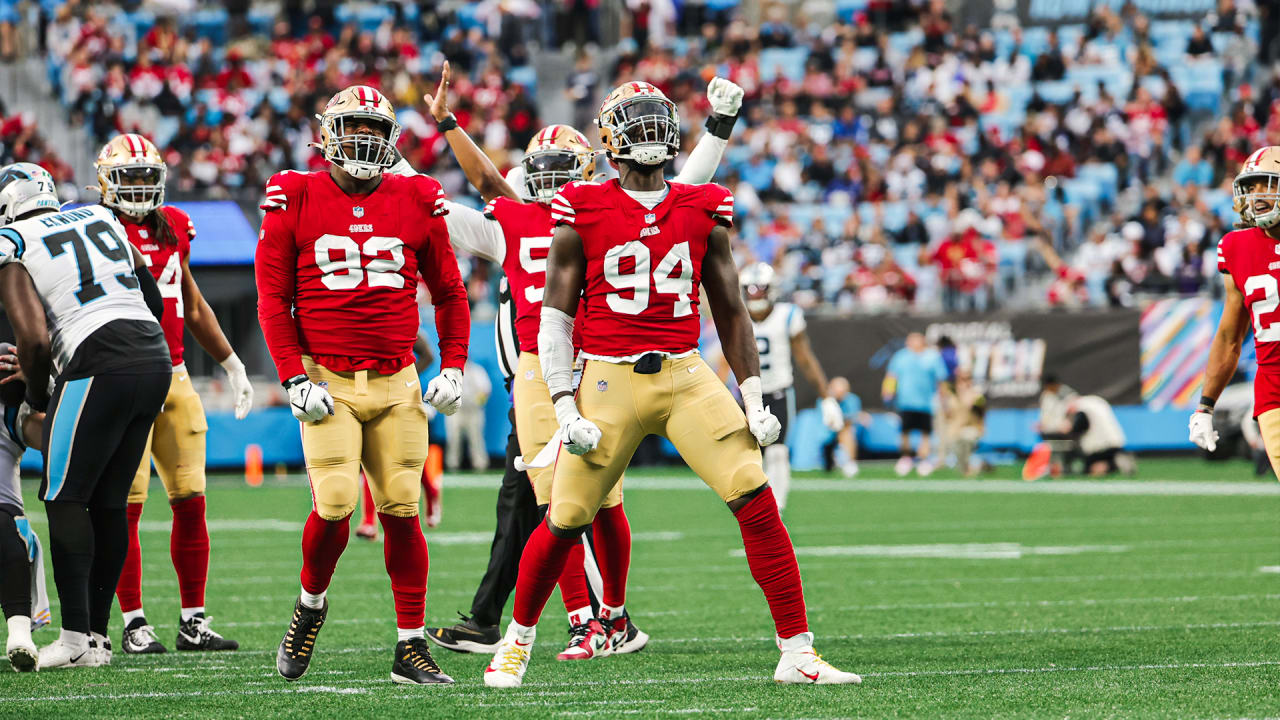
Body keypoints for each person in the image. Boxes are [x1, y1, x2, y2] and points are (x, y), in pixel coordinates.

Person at [482, 81, 860, 688]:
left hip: (685, 371)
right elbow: (554, 320)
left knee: (755, 496)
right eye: (640, 123)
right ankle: (516, 641)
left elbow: (732, 309)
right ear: (609, 139)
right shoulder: (580, 207)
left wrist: (753, 396)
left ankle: (798, 651)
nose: (651, 133)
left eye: (658, 121)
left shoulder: (699, 204)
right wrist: (561, 400)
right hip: (607, 377)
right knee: (565, 515)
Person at [418, 65, 742, 661]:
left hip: (588, 367)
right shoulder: (517, 219)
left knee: (580, 501)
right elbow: (460, 193)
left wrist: (717, 129)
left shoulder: (596, 209)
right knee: (555, 502)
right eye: (543, 173)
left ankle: (596, 619)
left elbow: (680, 188)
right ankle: (586, 619)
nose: (553, 182)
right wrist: (413, 155)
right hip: (555, 372)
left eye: (563, 171)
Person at [255, 85, 470, 685]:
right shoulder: (295, 193)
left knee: (403, 509)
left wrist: (451, 364)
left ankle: (409, 648)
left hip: (399, 378)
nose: (364, 140)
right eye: (353, 127)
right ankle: (310, 607)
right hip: (327, 376)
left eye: (376, 130)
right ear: (326, 132)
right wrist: (293, 375)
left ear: (391, 139)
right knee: (337, 505)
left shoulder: (417, 195)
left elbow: (451, 293)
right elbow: (272, 299)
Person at [0, 162, 172, 669]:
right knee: (109, 501)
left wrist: (36, 396)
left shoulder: (12, 240)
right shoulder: (102, 215)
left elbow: (32, 338)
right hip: (153, 353)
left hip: (97, 357)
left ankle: (75, 639)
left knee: (63, 494)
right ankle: (97, 639)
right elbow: (155, 299)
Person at [94, 133, 251, 655]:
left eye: (146, 178)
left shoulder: (176, 227)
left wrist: (231, 362)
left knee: (191, 501)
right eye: (128, 178)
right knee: (126, 506)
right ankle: (134, 621)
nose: (138, 188)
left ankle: (193, 620)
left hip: (176, 374)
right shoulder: (89, 226)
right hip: (119, 376)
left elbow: (193, 301)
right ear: (106, 182)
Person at [1191, 146, 1280, 477]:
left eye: (1267, 184)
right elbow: (1229, 335)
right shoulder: (1236, 248)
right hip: (1274, 392)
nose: (1257, 195)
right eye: (1252, 186)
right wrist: (1205, 405)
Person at [739, 262, 844, 511]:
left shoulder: (787, 315)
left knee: (777, 453)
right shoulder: (737, 315)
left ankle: (777, 508)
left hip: (779, 392)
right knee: (747, 456)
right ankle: (752, 508)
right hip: (746, 394)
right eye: (750, 289)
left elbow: (805, 358)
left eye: (761, 288)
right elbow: (724, 359)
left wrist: (827, 397)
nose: (756, 294)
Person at [0, 340, 49, 671]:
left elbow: (59, 437)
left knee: (8, 531)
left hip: (3, 518)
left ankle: (19, 635)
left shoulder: (11, 417)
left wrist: (43, 383)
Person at [882, 332, 947, 476]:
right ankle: (906, 458)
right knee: (905, 432)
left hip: (926, 403)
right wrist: (888, 391)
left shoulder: (932, 357)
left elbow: (941, 380)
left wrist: (944, 399)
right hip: (905, 401)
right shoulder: (900, 356)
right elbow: (892, 376)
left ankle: (923, 460)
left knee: (926, 433)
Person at [444, 359, 491, 471]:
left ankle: (480, 464)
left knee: (476, 438)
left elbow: (486, 389)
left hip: (473, 410)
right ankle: (452, 465)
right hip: (455, 410)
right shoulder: (449, 372)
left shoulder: (477, 371)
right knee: (453, 438)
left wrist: (478, 402)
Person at [939, 368, 986, 476]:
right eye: (961, 379)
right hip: (954, 430)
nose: (964, 382)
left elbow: (980, 414)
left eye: (967, 379)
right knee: (953, 444)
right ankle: (976, 467)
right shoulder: (951, 396)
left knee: (965, 439)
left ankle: (969, 469)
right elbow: (947, 415)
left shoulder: (977, 395)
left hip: (970, 428)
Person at [822, 376, 863, 478]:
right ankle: (834, 461)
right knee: (828, 468)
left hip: (844, 431)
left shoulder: (852, 400)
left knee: (847, 432)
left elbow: (851, 420)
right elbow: (826, 422)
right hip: (827, 432)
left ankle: (850, 463)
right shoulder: (825, 401)